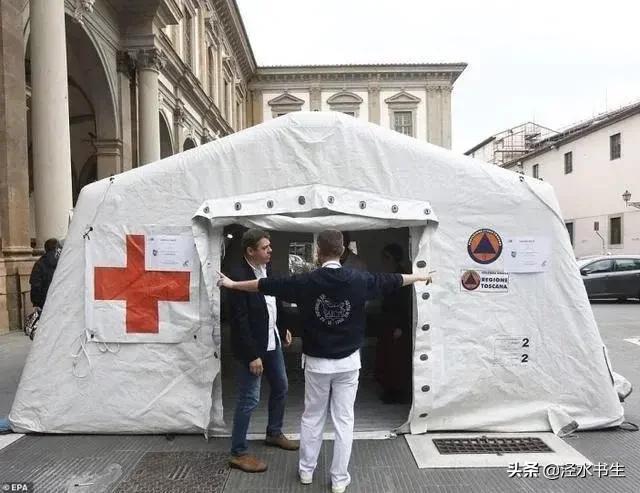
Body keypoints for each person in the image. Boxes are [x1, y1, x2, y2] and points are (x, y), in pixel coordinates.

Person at [218, 229, 431, 493]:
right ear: (342, 251)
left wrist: (232, 285)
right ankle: (339, 479)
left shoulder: (306, 281)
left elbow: (264, 286)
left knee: (312, 417)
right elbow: (394, 280)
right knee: (344, 420)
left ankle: (306, 472)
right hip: (348, 364)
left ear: (318, 252)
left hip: (317, 363)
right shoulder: (360, 280)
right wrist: (420, 276)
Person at [226, 229, 298, 473]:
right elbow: (239, 321)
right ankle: (238, 452)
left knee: (281, 386)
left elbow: (276, 302)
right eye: (265, 247)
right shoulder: (237, 277)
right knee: (249, 398)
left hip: (272, 339)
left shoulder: (268, 270)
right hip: (253, 348)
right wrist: (251, 356)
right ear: (250, 251)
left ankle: (273, 433)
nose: (270, 251)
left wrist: (283, 328)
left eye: (269, 246)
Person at [375, 243, 412, 404]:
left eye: (386, 257)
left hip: (396, 322)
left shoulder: (401, 276)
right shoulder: (391, 274)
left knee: (396, 359)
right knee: (387, 357)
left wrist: (400, 326)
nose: (384, 260)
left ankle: (397, 391)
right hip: (388, 320)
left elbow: (404, 303)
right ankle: (389, 389)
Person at [29, 238, 61, 309]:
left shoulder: (39, 263)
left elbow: (35, 285)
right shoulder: (61, 262)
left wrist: (36, 303)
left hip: (44, 302)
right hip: (60, 300)